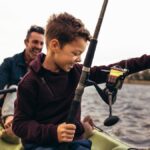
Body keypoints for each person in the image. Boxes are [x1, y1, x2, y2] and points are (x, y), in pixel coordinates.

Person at [12, 12, 150, 150]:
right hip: (40, 144)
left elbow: (115, 68)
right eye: (75, 53)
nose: (79, 59)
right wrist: (54, 132)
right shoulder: (29, 83)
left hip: (73, 143)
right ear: (55, 45)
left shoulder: (78, 72)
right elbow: (19, 125)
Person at [0, 25, 45, 144]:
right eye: (35, 42)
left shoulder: (45, 67)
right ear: (26, 42)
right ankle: (10, 123)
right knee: (16, 88)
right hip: (12, 110)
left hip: (33, 112)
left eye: (41, 43)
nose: (38, 47)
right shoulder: (9, 63)